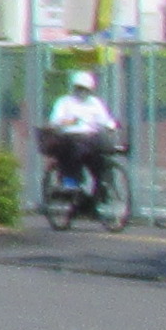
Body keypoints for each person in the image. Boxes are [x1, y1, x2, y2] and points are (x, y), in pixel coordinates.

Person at [48, 67, 125, 219]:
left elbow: (104, 119)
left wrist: (111, 125)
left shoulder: (95, 103)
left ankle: (99, 195)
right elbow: (55, 121)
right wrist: (68, 121)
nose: (82, 92)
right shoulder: (65, 102)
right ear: (74, 87)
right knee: (73, 155)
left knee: (102, 163)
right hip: (71, 139)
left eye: (85, 89)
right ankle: (70, 184)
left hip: (91, 140)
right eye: (79, 88)